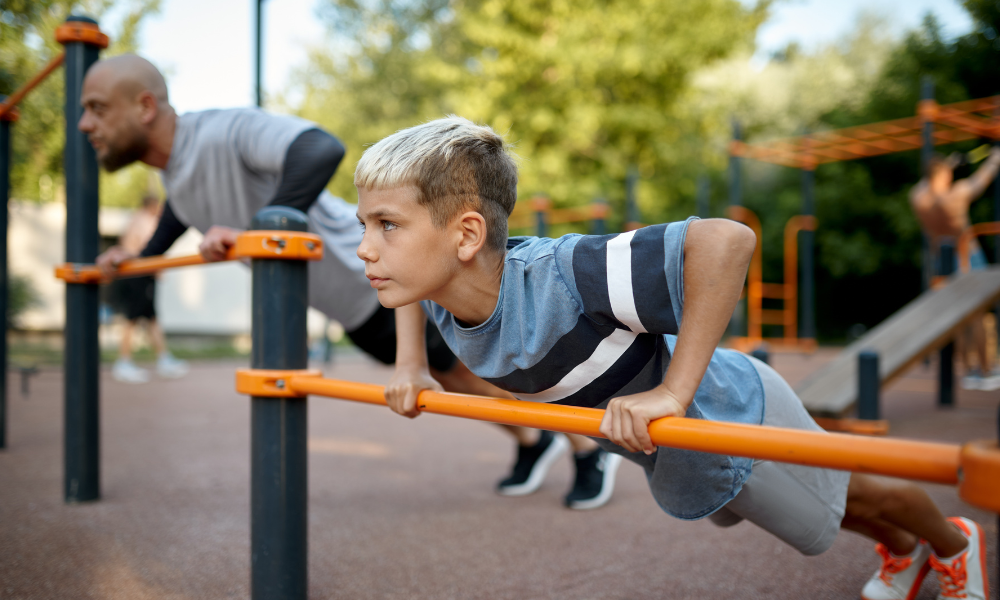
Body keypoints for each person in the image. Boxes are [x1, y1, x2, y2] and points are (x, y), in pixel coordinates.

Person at [358, 116, 989, 600]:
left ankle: (954, 542)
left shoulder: (569, 275)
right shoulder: (438, 284)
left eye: (387, 225)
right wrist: (410, 362)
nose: (365, 248)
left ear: (466, 234)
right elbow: (410, 295)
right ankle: (905, 551)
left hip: (727, 410)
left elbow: (727, 240)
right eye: (365, 224)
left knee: (852, 493)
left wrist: (673, 394)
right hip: (672, 445)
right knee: (812, 510)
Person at [80, 55, 617, 508]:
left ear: (145, 107)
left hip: (380, 278)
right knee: (451, 381)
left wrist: (261, 226)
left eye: (96, 109)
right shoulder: (176, 173)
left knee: (485, 371)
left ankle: (587, 448)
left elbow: (319, 149)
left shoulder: (225, 129)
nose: (85, 124)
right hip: (347, 301)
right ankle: (532, 439)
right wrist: (136, 255)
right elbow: (182, 210)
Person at [910, 148, 1000, 391]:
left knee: (959, 318)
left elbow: (924, 184)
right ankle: (987, 370)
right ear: (943, 175)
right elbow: (981, 181)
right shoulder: (955, 195)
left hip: (943, 260)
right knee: (980, 316)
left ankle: (969, 370)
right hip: (967, 256)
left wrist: (944, 166)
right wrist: (994, 160)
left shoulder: (920, 199)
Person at [110, 194, 189, 383]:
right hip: (140, 275)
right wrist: (158, 271)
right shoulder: (145, 220)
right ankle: (124, 361)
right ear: (153, 206)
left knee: (152, 318)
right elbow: (150, 249)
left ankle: (163, 358)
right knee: (132, 319)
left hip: (136, 274)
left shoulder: (134, 219)